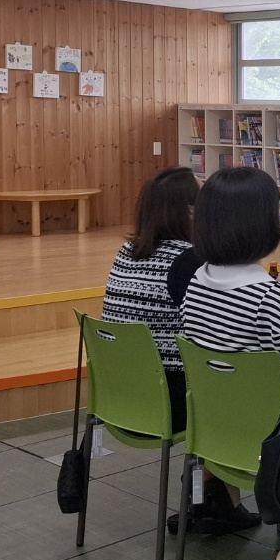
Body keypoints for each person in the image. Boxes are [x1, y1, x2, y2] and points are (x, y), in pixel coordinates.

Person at [179, 166, 280, 534]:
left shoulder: (197, 282)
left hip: (215, 430)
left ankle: (212, 489)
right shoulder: (271, 299)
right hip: (275, 444)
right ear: (263, 225)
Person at [102, 166, 201, 433]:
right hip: (169, 401)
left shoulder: (126, 251)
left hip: (119, 395)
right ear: (191, 211)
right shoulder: (188, 261)